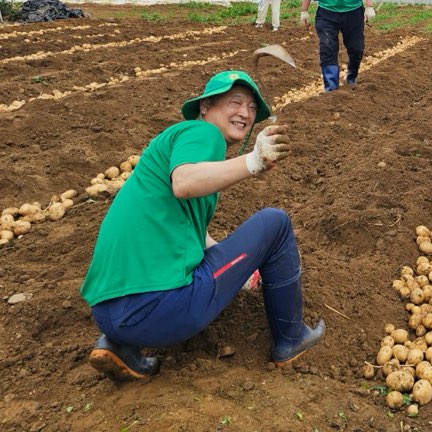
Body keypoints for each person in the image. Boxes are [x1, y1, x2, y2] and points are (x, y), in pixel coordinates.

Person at [80, 70, 324, 382]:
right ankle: (292, 339)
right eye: (235, 102)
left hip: (109, 316)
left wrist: (239, 265)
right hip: (162, 311)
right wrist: (253, 162)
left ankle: (120, 348)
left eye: (251, 108)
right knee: (274, 223)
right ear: (205, 107)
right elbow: (184, 183)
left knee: (207, 253)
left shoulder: (176, 146)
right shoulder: (202, 133)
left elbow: (189, 226)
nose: (245, 113)